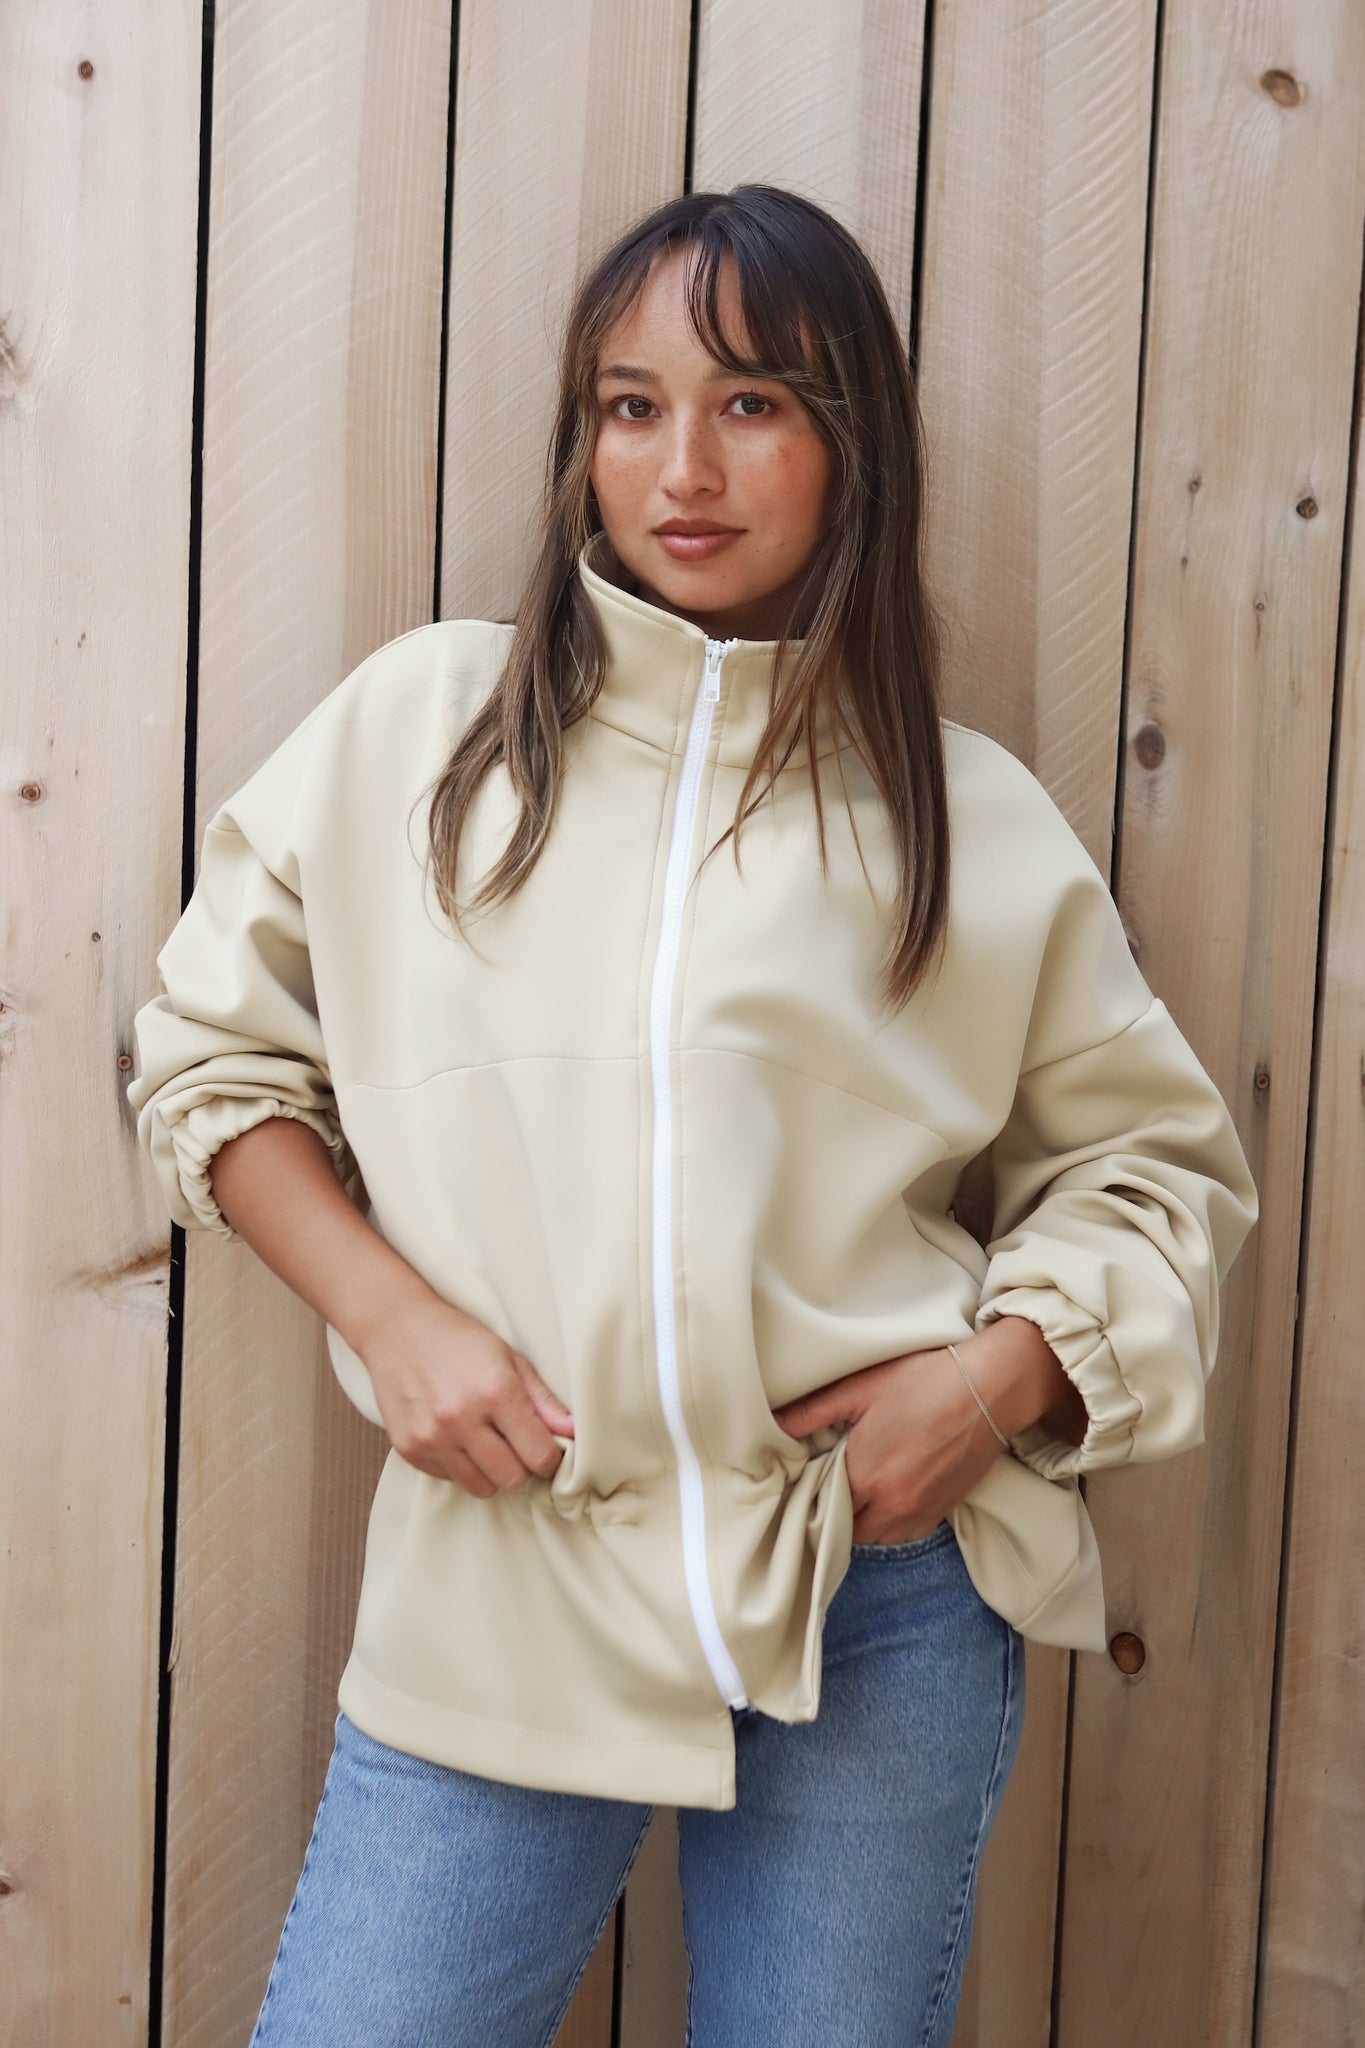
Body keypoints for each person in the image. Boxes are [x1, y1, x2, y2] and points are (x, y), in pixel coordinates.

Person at [128, 184, 1259, 2046]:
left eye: (752, 404)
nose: (684, 468)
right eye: (630, 405)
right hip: (507, 1582)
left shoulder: (964, 817)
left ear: (849, 439)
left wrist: (989, 1386)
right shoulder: (425, 733)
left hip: (870, 1597)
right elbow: (209, 1052)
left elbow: (1152, 1167)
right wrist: (391, 1320)